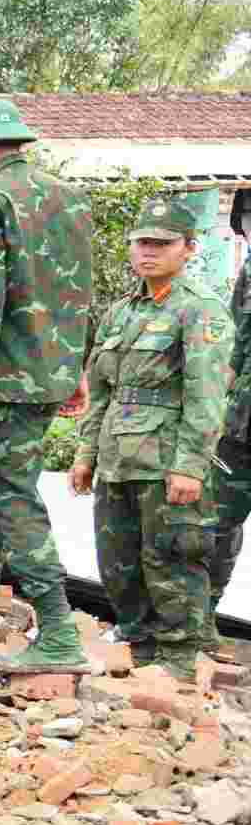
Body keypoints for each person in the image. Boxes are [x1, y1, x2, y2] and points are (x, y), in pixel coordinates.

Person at [0, 96, 96, 675]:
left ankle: (56, 630)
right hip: (49, 370)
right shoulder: (68, 197)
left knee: (11, 496)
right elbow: (77, 289)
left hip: (6, 377)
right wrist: (75, 365)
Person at [68, 199, 231, 679]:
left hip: (166, 461)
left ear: (188, 249)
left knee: (173, 559)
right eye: (142, 242)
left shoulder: (200, 310)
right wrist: (85, 454)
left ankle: (179, 660)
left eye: (162, 244)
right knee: (117, 562)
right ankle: (137, 646)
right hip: (118, 458)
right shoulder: (121, 312)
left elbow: (206, 393)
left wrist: (190, 464)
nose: (149, 252)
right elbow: (100, 391)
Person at [205, 190, 251, 636]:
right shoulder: (250, 271)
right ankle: (201, 619)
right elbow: (238, 343)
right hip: (240, 427)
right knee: (216, 523)